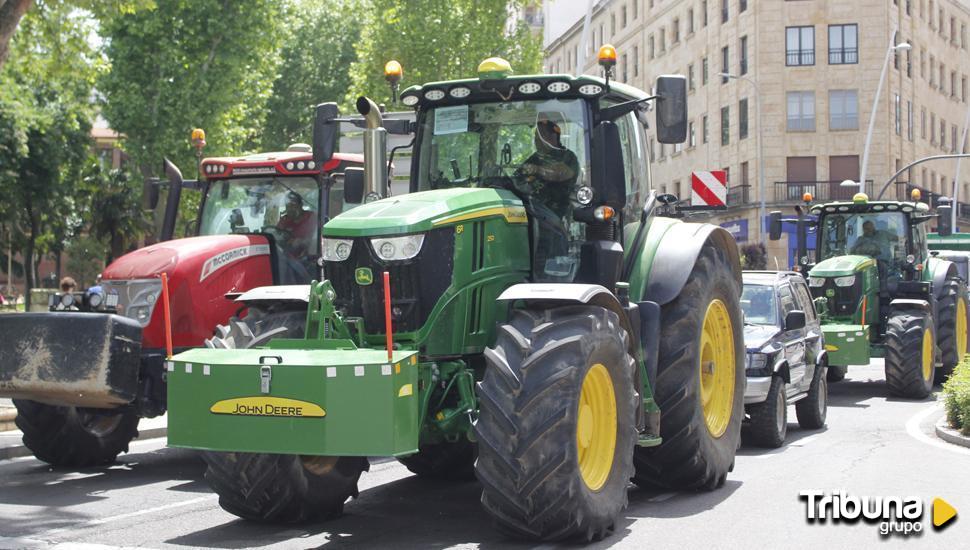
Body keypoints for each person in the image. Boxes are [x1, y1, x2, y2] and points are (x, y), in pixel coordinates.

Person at [518, 113, 580, 219]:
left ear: (552, 136)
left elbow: (562, 173)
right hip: (533, 211)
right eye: (536, 137)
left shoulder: (567, 156)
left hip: (557, 214)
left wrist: (537, 170)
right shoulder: (536, 157)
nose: (536, 140)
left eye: (540, 136)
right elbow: (519, 176)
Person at [276, 192, 316, 258]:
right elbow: (277, 234)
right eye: (287, 206)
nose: (290, 209)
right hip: (287, 256)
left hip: (308, 257)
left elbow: (318, 239)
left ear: (301, 205)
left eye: (293, 206)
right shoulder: (284, 220)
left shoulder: (311, 218)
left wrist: (302, 241)